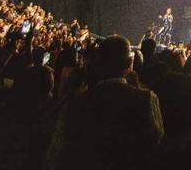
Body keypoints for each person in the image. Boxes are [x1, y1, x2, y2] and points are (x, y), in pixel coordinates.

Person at [46, 34, 163, 170]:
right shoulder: (147, 99)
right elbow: (156, 144)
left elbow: (55, 155)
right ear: (129, 62)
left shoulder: (75, 103)